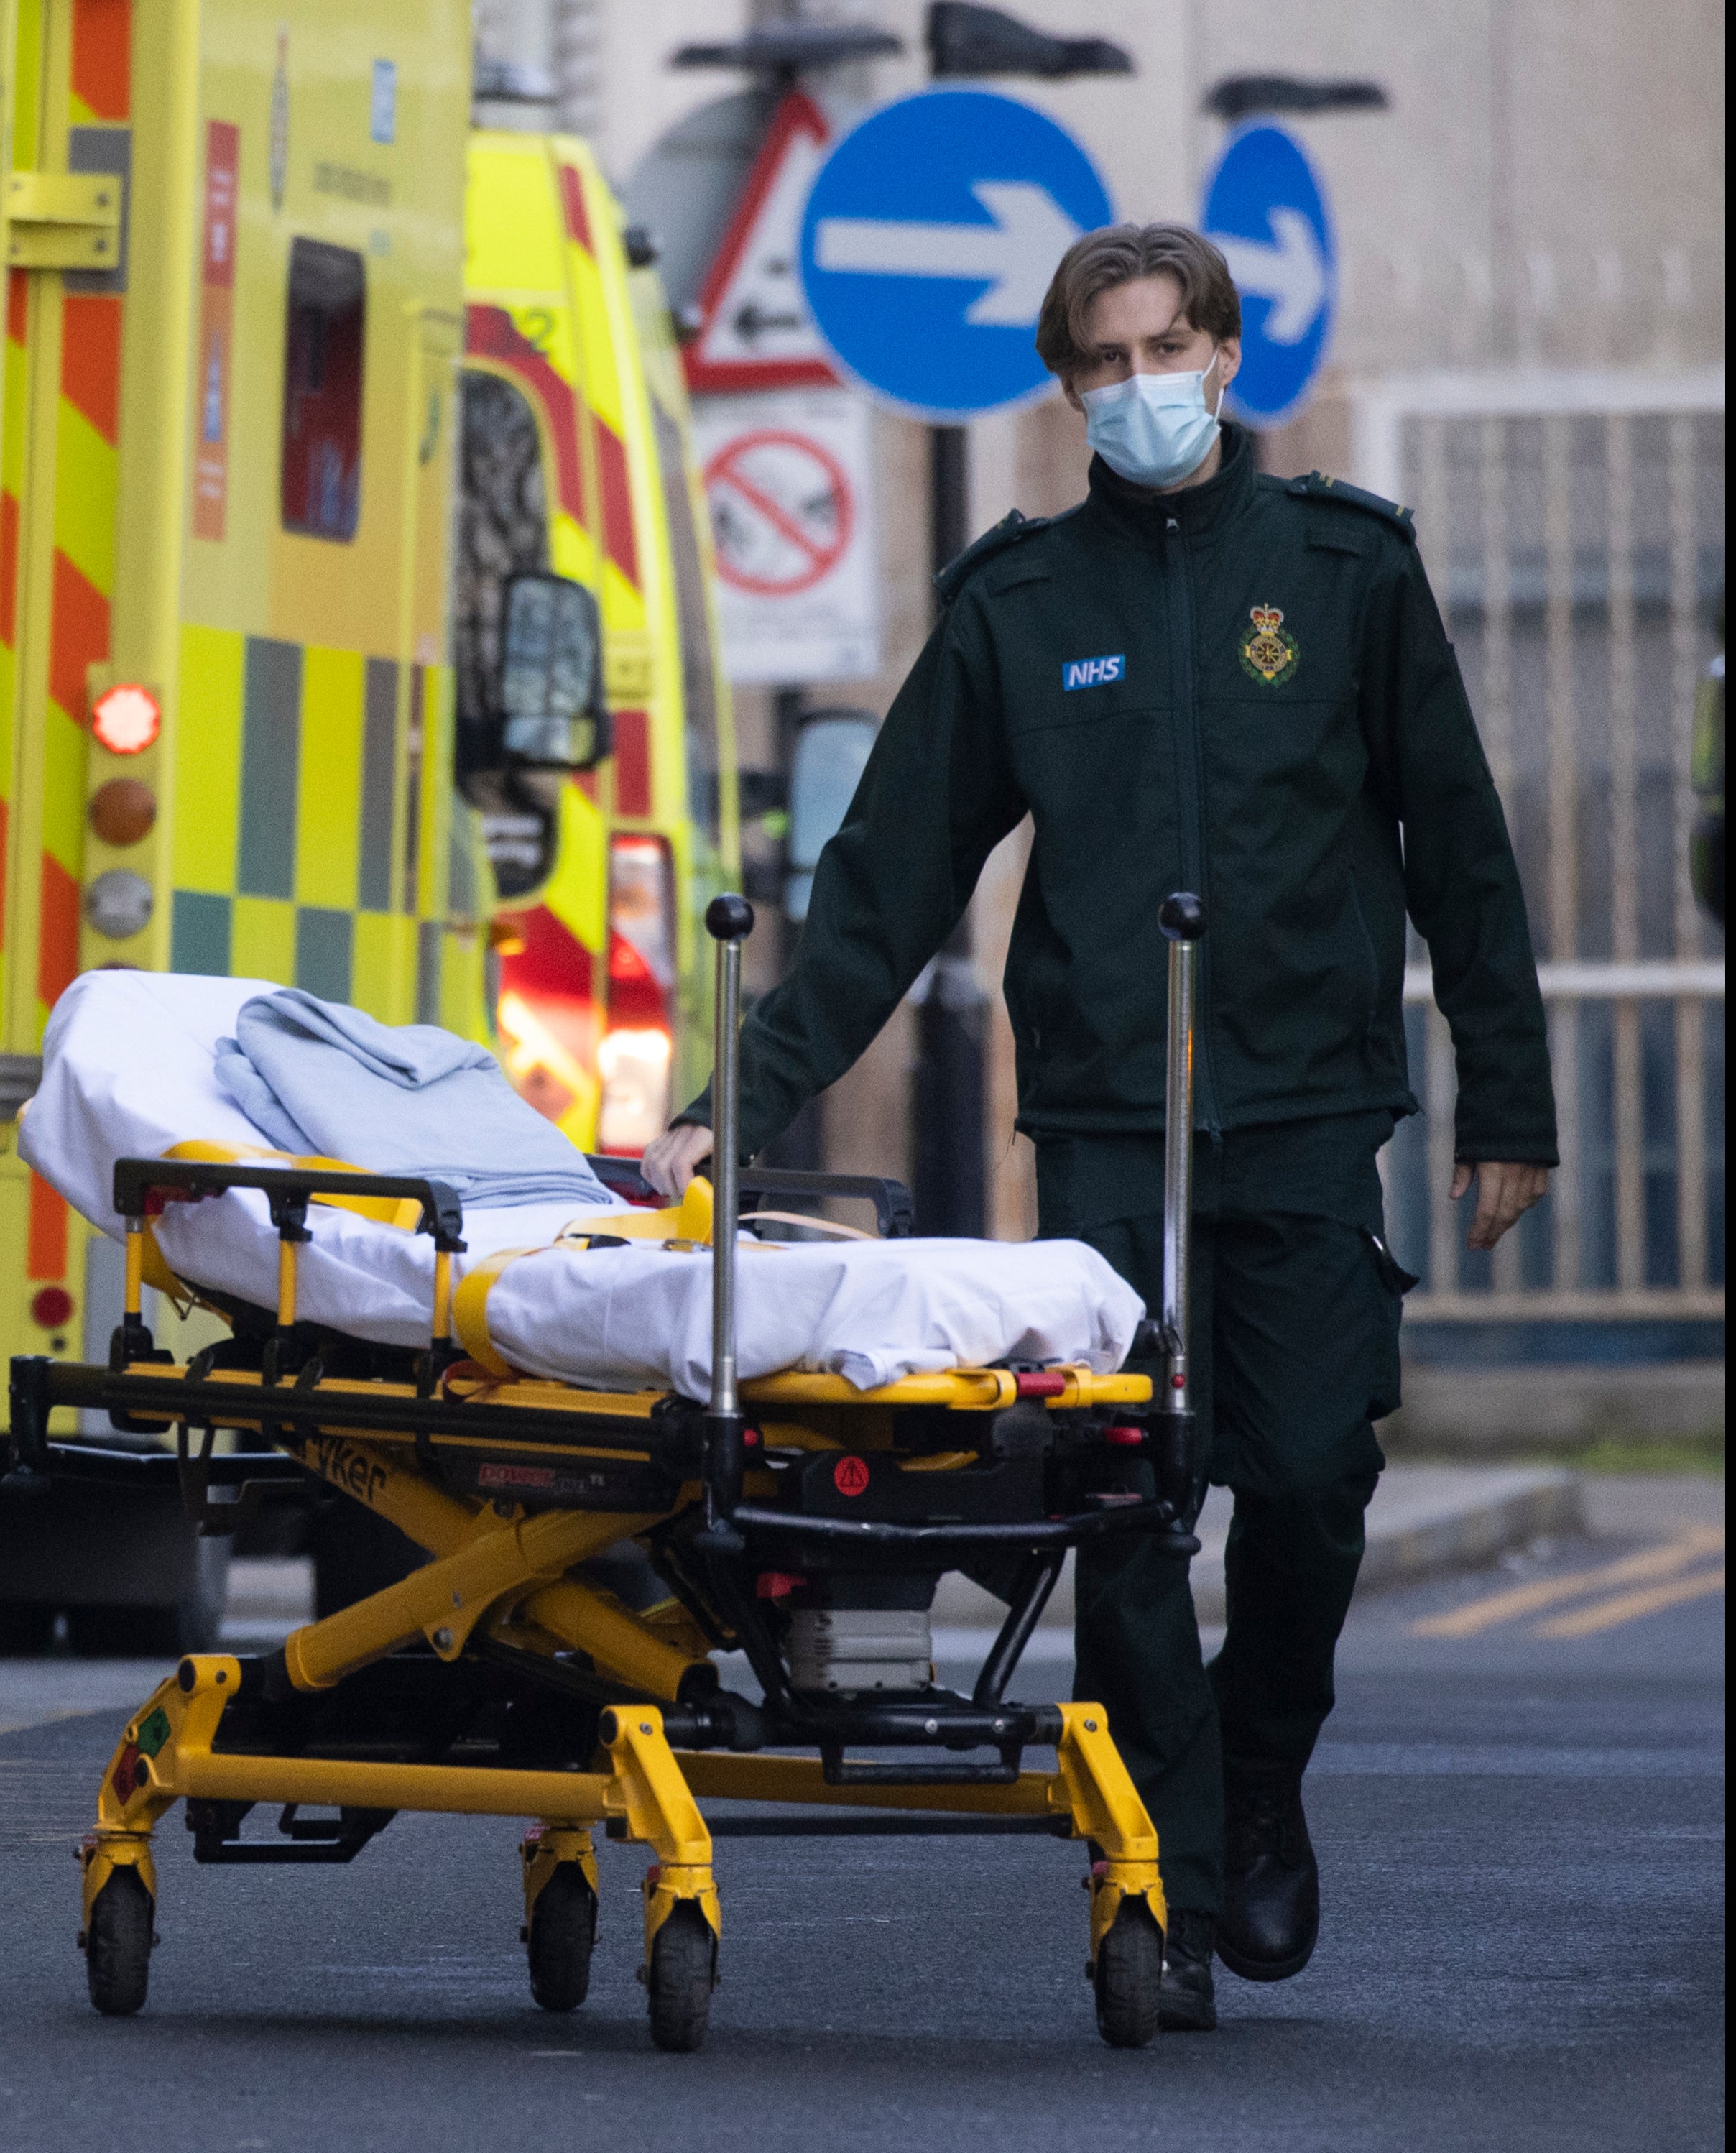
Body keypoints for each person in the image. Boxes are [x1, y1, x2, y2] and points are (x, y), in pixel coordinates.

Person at [640, 222, 1554, 2031]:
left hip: (1302, 1115)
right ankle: (1185, 1877)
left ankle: (1263, 1770)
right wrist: (727, 1112)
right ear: (1069, 386)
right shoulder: (1019, 606)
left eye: (1165, 347)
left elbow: (1458, 843)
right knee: (1129, 1514)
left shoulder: (1347, 571)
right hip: (1110, 1130)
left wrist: (1508, 1095)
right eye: (1102, 360)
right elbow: (884, 881)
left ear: (1223, 355)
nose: (1137, 384)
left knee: (1307, 1481)